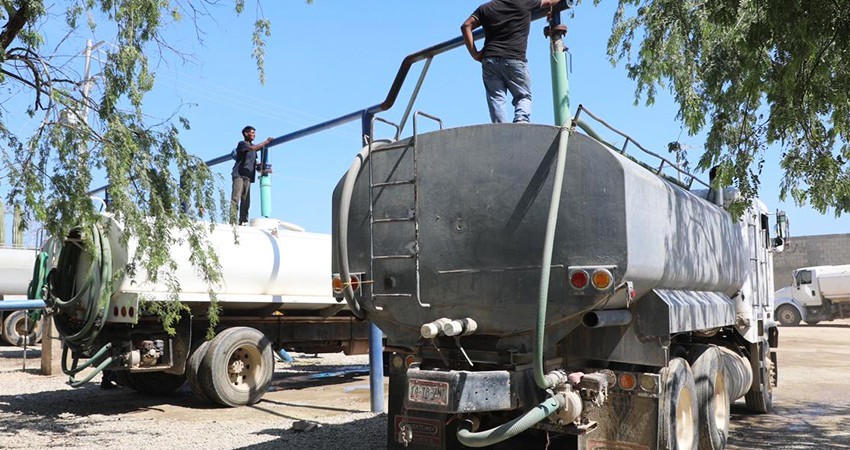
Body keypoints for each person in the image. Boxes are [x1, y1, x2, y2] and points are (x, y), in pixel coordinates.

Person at [461, 0, 559, 123]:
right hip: (514, 58)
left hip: (490, 59)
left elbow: (466, 26)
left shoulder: (485, 8)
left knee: (496, 98)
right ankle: (521, 121)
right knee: (523, 96)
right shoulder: (524, 2)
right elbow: (550, 1)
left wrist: (474, 53)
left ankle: (500, 129)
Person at [231, 126, 272, 225]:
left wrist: (263, 167)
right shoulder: (242, 144)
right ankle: (232, 221)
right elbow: (252, 148)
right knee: (236, 198)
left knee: (246, 200)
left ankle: (243, 221)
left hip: (248, 176)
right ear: (246, 133)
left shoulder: (254, 148)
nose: (254, 135)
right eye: (252, 132)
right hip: (239, 175)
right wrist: (266, 142)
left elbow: (254, 163)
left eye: (254, 133)